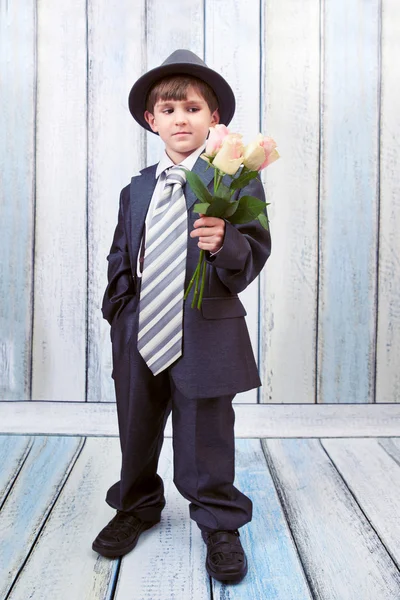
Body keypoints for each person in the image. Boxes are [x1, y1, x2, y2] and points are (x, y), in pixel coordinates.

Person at [92, 49, 271, 584]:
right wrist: (121, 310)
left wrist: (224, 244)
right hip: (142, 328)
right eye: (168, 110)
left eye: (193, 109)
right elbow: (123, 251)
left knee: (206, 432)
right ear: (152, 121)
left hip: (205, 331)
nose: (181, 119)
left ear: (214, 119)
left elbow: (257, 248)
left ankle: (219, 520)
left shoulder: (232, 181)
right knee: (137, 425)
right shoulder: (138, 187)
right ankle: (137, 504)